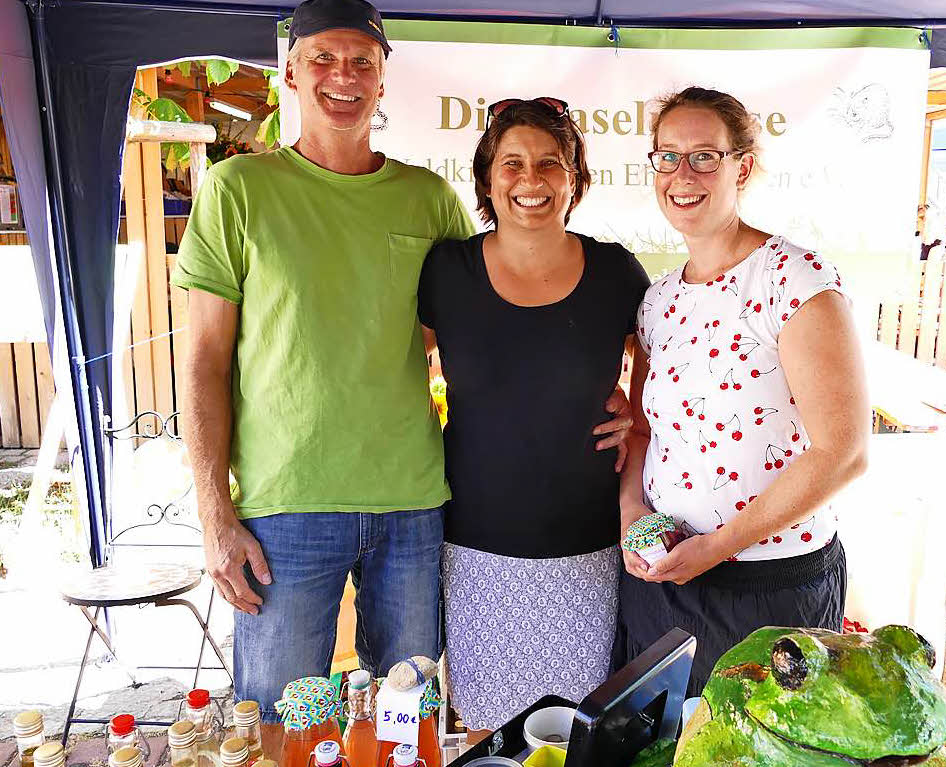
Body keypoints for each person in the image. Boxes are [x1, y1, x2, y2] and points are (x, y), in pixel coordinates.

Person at [170, 0, 633, 744]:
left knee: (403, 725)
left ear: (384, 80)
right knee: (286, 725)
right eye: (323, 58)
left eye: (362, 61)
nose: (343, 76)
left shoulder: (427, 199)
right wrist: (213, 514)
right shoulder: (238, 191)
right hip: (286, 509)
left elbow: (498, 314)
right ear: (290, 70)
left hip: (414, 507)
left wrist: (605, 391)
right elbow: (201, 363)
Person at [614, 87, 870, 697]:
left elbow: (844, 450)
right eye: (667, 157)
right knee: (664, 748)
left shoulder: (794, 279)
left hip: (771, 587)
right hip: (664, 579)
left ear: (743, 167)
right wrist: (631, 515)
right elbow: (646, 432)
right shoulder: (658, 300)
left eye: (706, 155)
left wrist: (717, 548)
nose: (683, 174)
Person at [418, 98, 651, 739]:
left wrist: (637, 415)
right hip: (475, 545)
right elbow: (395, 372)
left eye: (551, 163)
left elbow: (667, 369)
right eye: (512, 163)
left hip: (588, 545)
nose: (531, 180)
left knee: (576, 732)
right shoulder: (448, 271)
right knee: (487, 732)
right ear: (488, 179)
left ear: (574, 177)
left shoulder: (614, 271)